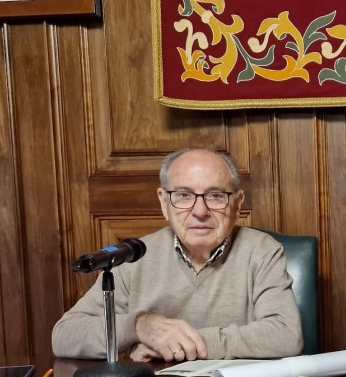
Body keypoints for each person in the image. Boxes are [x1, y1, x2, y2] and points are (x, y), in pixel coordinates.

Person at [52, 148, 303, 362]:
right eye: (184, 195)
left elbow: (285, 335)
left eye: (215, 196)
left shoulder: (261, 251)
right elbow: (65, 335)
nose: (200, 211)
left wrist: (175, 345)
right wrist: (140, 326)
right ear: (164, 202)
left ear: (237, 204)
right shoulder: (133, 257)